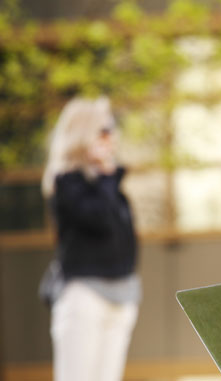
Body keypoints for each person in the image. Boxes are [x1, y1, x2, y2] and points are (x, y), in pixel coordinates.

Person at [41, 96, 141, 381]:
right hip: (85, 295)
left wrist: (108, 176)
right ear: (83, 135)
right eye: (104, 130)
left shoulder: (110, 184)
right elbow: (96, 219)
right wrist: (106, 178)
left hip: (122, 295)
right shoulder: (67, 183)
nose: (112, 137)